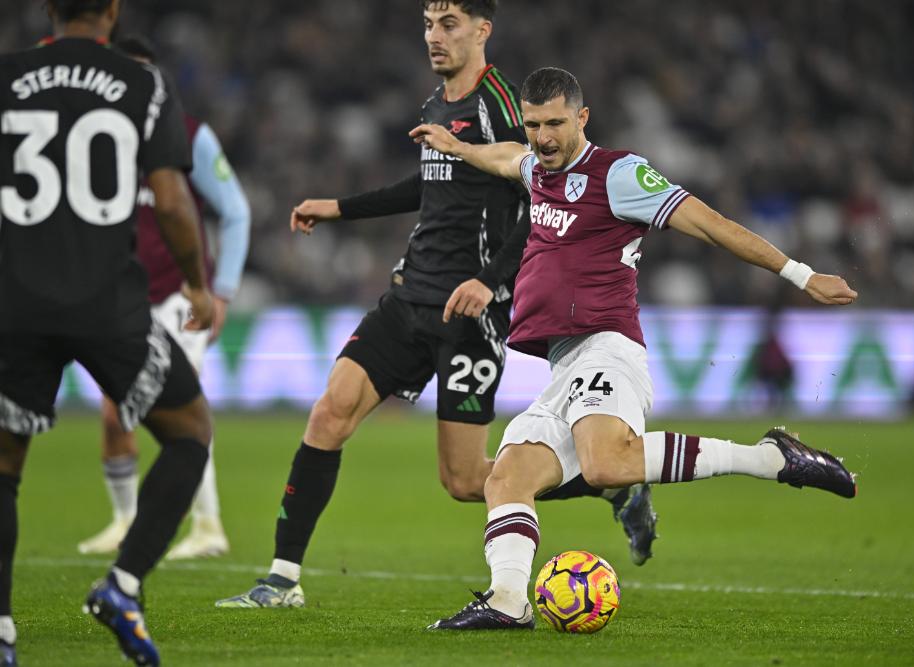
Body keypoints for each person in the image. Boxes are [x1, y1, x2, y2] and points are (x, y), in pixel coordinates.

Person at [217, 0, 656, 610]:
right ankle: (282, 579)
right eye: (428, 24)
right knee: (328, 415)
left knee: (462, 479)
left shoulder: (504, 107)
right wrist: (340, 207)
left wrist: (488, 280)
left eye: (448, 25)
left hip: (473, 312)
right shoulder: (436, 105)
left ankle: (609, 488)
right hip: (411, 295)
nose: (434, 37)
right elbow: (428, 185)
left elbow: (540, 203)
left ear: (483, 29)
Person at [409, 67, 859, 630]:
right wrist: (457, 146)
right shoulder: (536, 166)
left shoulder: (618, 174)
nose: (543, 137)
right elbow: (504, 157)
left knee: (606, 464)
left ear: (582, 117)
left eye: (555, 123)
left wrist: (801, 274)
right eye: (533, 125)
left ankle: (771, 458)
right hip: (563, 366)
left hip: (607, 347)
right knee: (505, 477)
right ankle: (507, 600)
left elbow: (712, 224)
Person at [0, 1, 215, 663]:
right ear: (113, 11)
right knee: (189, 432)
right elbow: (174, 201)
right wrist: (197, 284)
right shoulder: (141, 83)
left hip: (15, 302)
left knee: (4, 469)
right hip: (108, 302)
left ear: (47, 9)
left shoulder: (6, 78)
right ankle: (123, 583)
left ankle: (2, 629)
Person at [77, 35, 251, 560]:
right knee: (113, 414)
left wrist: (220, 292)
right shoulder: (94, 141)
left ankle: (208, 525)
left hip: (179, 296)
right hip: (120, 297)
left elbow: (236, 211)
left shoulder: (189, 135)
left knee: (183, 403)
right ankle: (125, 519)